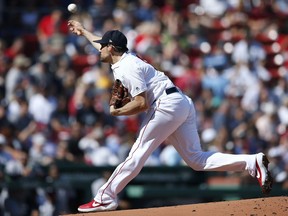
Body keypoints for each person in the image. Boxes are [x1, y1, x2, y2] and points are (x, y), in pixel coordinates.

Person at [67, 20, 273, 213]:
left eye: (103, 45)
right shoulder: (124, 58)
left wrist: (118, 111)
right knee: (195, 160)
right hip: (180, 102)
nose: (99, 48)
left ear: (111, 48)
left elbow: (141, 103)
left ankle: (105, 196)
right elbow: (100, 46)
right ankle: (251, 162)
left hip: (164, 105)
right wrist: (83, 30)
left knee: (137, 153)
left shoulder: (127, 68)